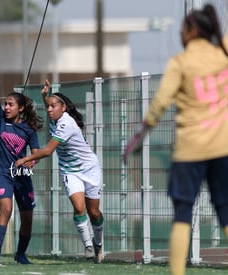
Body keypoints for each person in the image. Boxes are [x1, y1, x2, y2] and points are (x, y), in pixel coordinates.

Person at [123, 4, 228, 275]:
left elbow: (159, 104)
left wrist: (138, 138)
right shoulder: (223, 54)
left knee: (182, 213)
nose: (179, 33)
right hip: (223, 147)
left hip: (190, 151)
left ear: (192, 31)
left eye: (182, 28)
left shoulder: (181, 62)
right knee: (225, 211)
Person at [15, 80, 104, 263]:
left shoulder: (66, 124)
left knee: (94, 212)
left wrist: (25, 159)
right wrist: (44, 96)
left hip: (90, 169)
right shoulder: (55, 118)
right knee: (79, 208)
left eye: (52, 106)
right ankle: (88, 246)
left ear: (63, 108)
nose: (48, 110)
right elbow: (47, 148)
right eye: (47, 106)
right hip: (69, 171)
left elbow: (48, 151)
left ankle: (98, 244)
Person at [0, 54, 43, 265]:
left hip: (22, 175)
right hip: (1, 174)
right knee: (6, 209)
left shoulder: (28, 130)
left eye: (10, 105)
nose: (6, 107)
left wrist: (29, 161)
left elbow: (37, 153)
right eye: (5, 104)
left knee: (27, 218)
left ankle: (20, 254)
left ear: (21, 108)